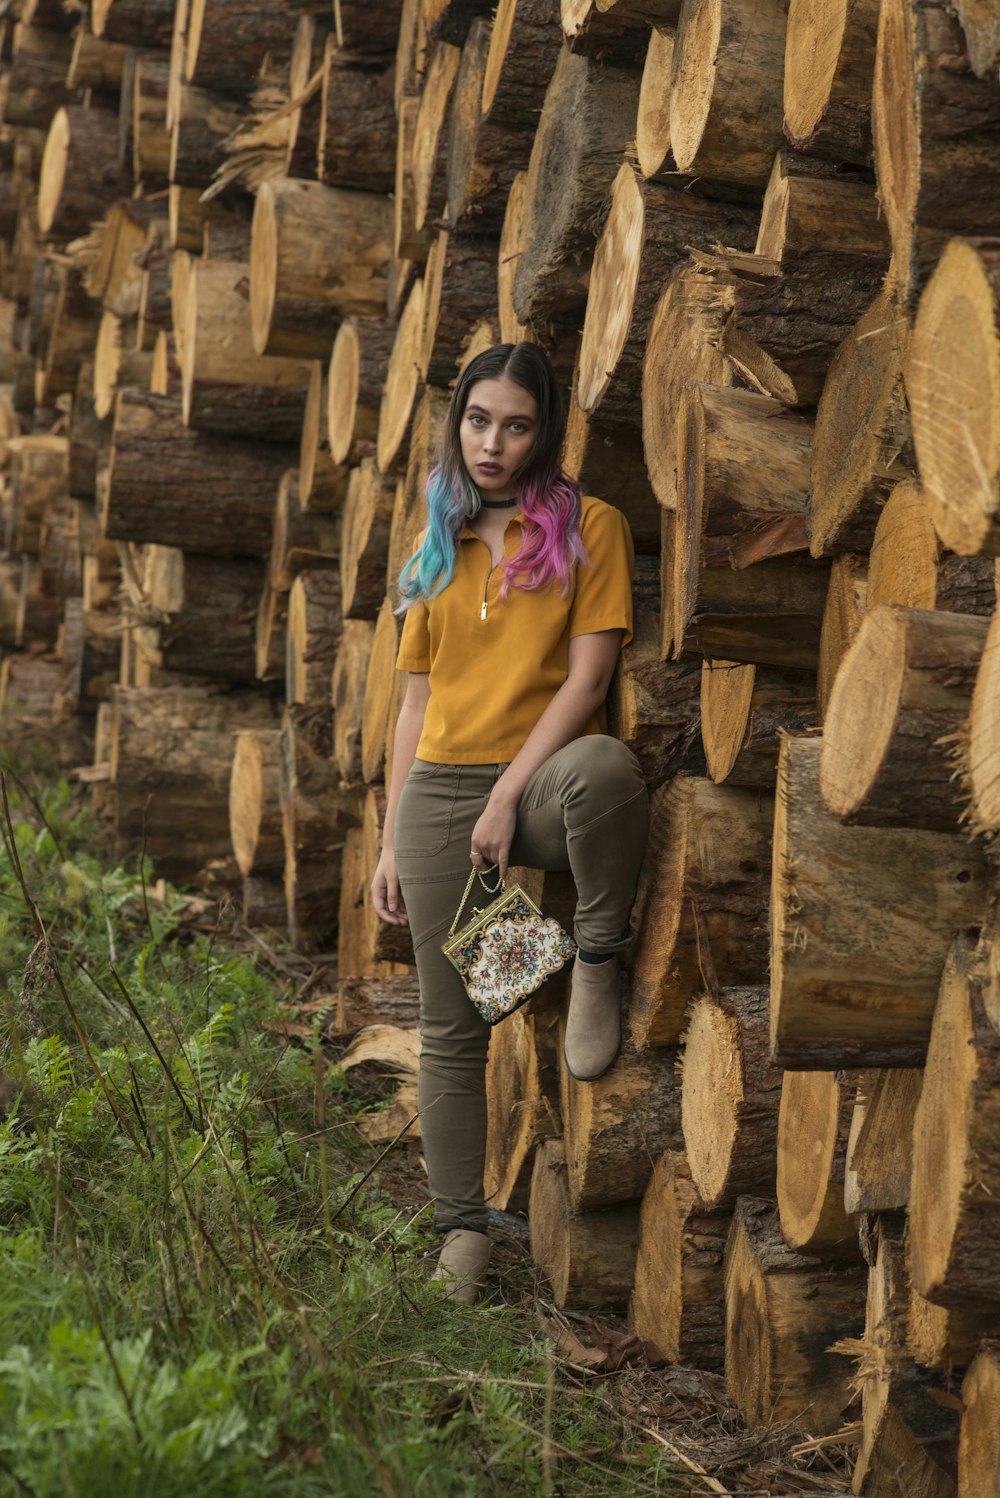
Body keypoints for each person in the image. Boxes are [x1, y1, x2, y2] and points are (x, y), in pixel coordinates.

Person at [371, 342, 648, 1302]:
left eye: (516, 424)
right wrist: (390, 836)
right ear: (457, 421)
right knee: (453, 1029)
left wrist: (502, 796)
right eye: (478, 420)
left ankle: (597, 959)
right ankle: (463, 1233)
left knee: (607, 769)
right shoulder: (438, 535)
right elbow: (414, 703)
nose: (492, 443)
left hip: (533, 786)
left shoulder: (588, 527)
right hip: (438, 791)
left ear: (545, 430)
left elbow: (590, 681)